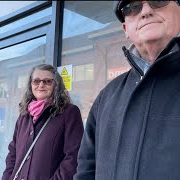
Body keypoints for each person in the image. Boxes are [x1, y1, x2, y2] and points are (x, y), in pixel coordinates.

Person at [74, 1, 180, 180]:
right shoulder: (106, 97)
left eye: (158, 0)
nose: (146, 11)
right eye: (132, 7)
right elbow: (86, 169)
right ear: (125, 29)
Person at [2, 64, 84, 180]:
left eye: (47, 81)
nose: (41, 85)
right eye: (36, 81)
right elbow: (12, 154)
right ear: (31, 85)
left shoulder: (69, 113)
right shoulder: (24, 116)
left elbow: (73, 156)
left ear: (56, 85)